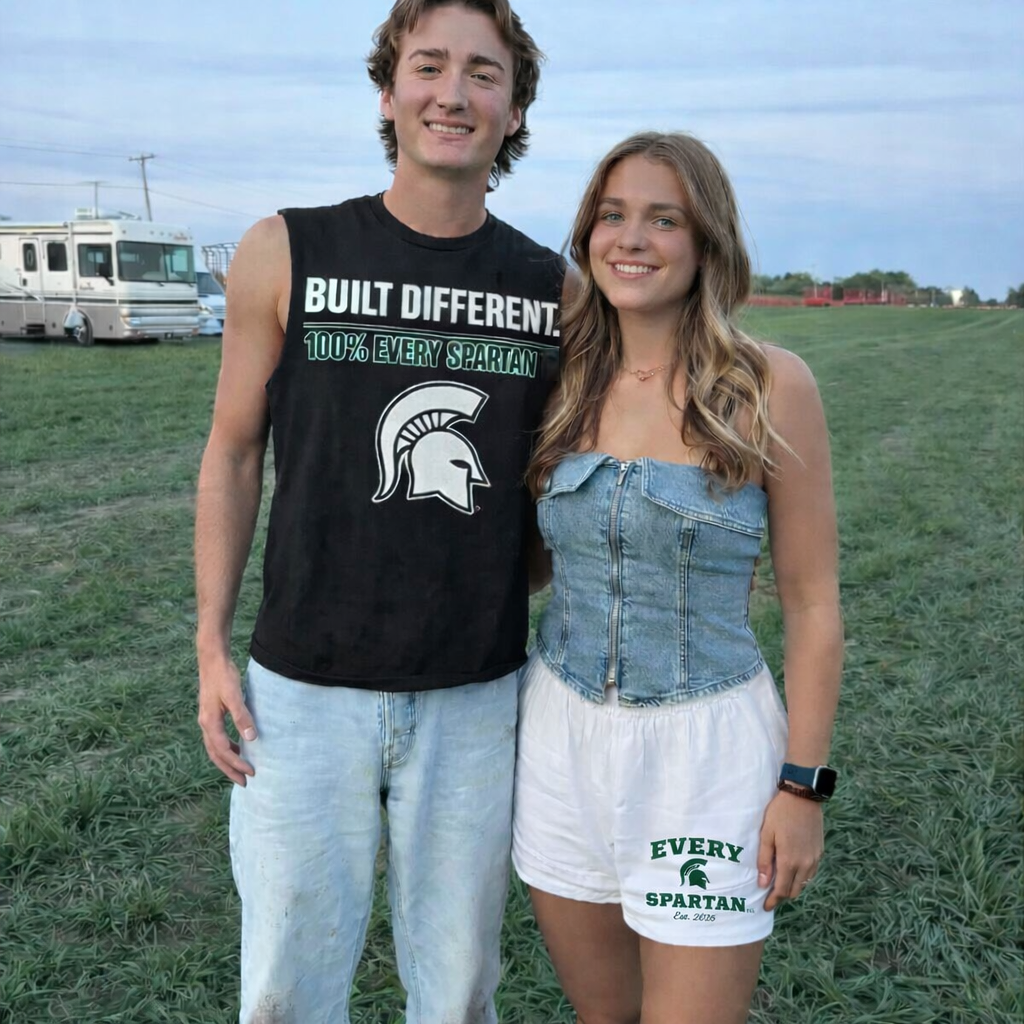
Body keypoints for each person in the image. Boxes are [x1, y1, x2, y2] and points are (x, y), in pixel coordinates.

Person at [194, 2, 566, 1021]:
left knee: (455, 988)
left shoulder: (552, 289)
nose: (453, 93)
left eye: (483, 74)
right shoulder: (284, 249)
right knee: (284, 985)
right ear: (388, 90)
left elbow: (556, 484)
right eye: (429, 67)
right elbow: (231, 452)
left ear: (514, 105)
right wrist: (210, 646)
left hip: (474, 689)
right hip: (299, 688)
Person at [513, 131, 843, 1024]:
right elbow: (533, 563)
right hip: (559, 745)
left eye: (665, 219)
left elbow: (813, 606)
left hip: (708, 759)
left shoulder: (771, 385)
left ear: (707, 243)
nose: (632, 238)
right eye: (612, 216)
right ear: (586, 235)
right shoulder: (560, 382)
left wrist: (802, 787)